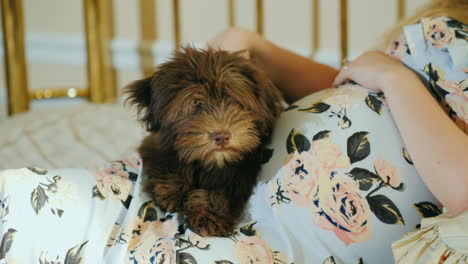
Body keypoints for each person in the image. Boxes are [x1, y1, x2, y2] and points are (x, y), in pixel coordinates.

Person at [0, 0, 466, 263]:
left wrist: (396, 78)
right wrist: (255, 45)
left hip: (264, 240)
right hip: (180, 187)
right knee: (17, 197)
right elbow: (349, 81)